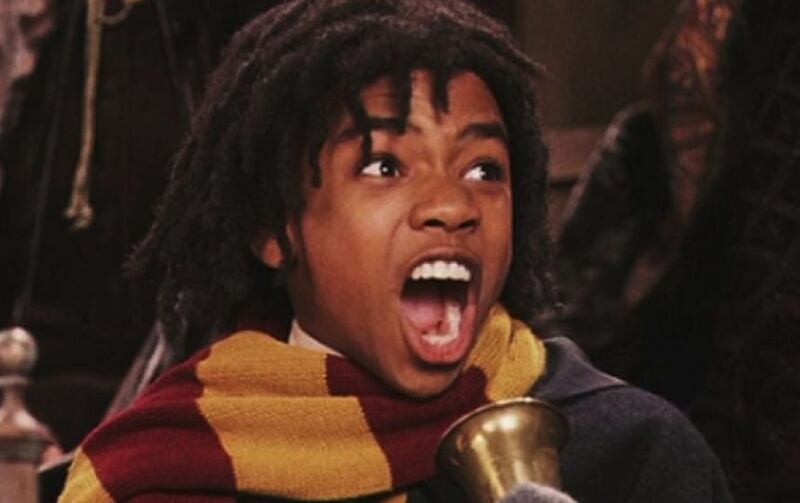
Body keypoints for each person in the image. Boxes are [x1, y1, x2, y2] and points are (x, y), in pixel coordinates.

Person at [58, 1, 732, 501]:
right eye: (384, 166)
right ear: (273, 229)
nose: (453, 205)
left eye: (484, 170)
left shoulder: (632, 452)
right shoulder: (158, 471)